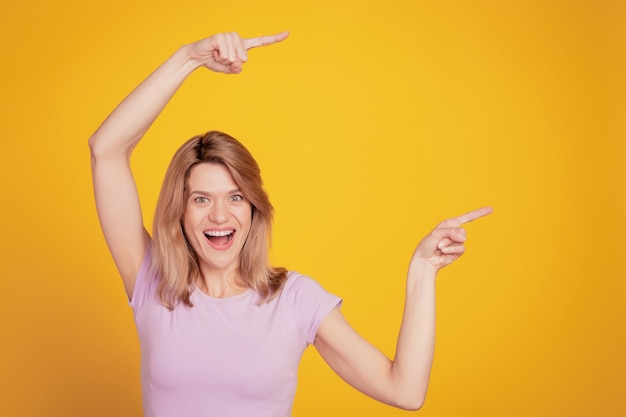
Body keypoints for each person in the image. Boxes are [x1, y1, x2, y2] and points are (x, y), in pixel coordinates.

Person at [89, 31, 493, 417]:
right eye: (200, 199)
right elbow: (105, 149)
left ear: (253, 210)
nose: (219, 215)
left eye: (235, 197)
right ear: (180, 211)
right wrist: (189, 58)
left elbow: (404, 390)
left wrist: (424, 269)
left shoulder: (295, 300)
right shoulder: (152, 283)